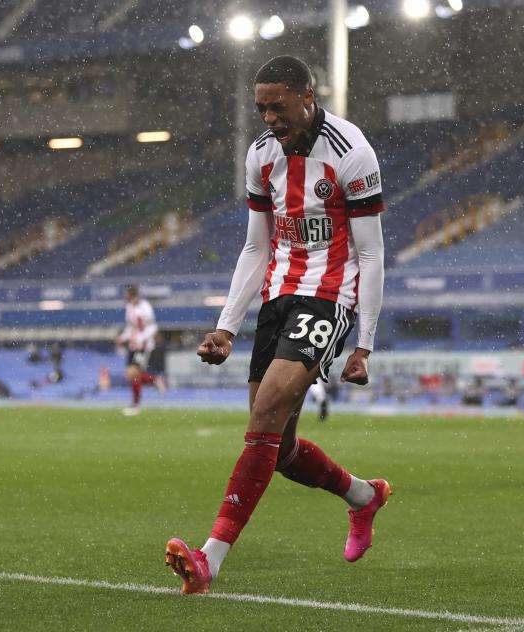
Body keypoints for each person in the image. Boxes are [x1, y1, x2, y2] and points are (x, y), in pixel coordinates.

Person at [165, 56, 389, 595]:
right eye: (261, 108)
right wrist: (227, 327)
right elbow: (255, 246)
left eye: (278, 106)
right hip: (277, 298)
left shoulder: (351, 153)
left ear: (307, 96)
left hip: (329, 296)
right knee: (278, 447)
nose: (269, 118)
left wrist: (364, 344)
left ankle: (209, 559)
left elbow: (372, 254)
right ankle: (363, 496)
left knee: (265, 411)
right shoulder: (261, 155)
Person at [116, 284, 164, 416]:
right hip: (133, 345)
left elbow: (152, 327)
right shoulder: (129, 307)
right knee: (131, 375)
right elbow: (130, 327)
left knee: (134, 374)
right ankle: (155, 380)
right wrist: (123, 337)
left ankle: (135, 405)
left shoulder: (145, 307)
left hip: (143, 345)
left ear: (132, 295)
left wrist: (142, 339)